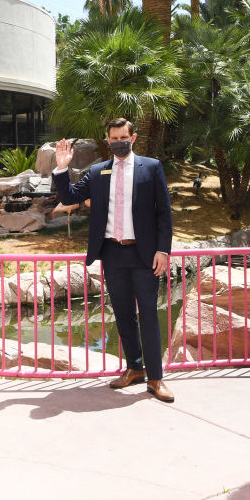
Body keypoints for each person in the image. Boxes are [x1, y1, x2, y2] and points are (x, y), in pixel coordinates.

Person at [52, 118, 174, 402]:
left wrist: (163, 250)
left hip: (145, 254)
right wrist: (61, 167)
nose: (118, 141)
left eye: (123, 137)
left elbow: (164, 214)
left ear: (132, 139)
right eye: (113, 137)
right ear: (107, 141)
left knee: (148, 314)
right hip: (112, 253)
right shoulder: (97, 172)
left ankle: (156, 378)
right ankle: (134, 368)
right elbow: (69, 196)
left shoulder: (151, 167)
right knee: (122, 314)